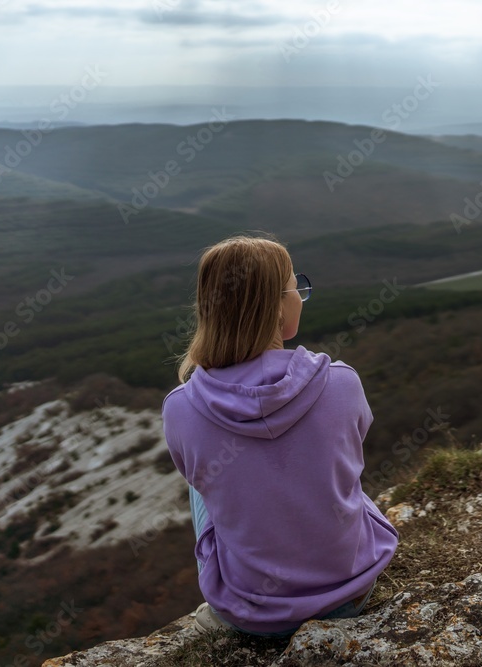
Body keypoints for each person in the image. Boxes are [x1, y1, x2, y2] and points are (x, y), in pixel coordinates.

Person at [161, 233, 399, 637]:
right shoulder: (341, 382)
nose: (299, 297)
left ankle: (226, 603)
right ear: (275, 308)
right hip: (351, 592)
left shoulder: (181, 408)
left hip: (254, 617)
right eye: (294, 287)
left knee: (204, 485)